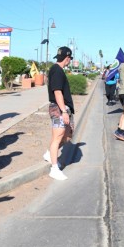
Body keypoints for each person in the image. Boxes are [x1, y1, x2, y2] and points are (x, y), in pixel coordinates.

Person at [43, 46, 74, 181]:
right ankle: (54, 169)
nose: (70, 61)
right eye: (70, 58)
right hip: (58, 108)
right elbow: (57, 91)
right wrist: (63, 111)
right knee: (58, 137)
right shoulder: (57, 70)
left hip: (63, 107)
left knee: (67, 136)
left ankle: (50, 154)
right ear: (67, 58)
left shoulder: (58, 70)